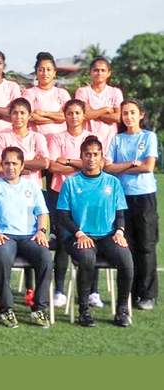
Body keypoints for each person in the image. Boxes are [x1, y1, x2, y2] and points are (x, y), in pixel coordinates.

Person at [57, 136, 133, 327]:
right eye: (87, 154)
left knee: (126, 259)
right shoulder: (71, 183)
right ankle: (84, 309)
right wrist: (79, 233)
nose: (92, 158)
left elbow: (120, 213)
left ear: (101, 157)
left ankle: (122, 309)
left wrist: (120, 231)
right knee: (87, 258)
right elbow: (63, 216)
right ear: (81, 156)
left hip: (107, 235)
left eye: (96, 154)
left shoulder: (113, 182)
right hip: (79, 236)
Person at [0, 146, 53, 328]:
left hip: (29, 236)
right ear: (1, 165)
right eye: (6, 163)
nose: (10, 167)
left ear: (21, 166)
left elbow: (42, 213)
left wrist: (41, 231)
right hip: (3, 236)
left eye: (14, 163)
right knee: (3, 257)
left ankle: (39, 308)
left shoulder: (32, 187)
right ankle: (6, 309)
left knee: (45, 258)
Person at [0, 97, 49, 305]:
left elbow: (44, 162)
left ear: (29, 115)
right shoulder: (2, 136)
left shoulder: (38, 137)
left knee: (32, 235)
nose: (18, 116)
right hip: (7, 192)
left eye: (23, 113)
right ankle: (6, 299)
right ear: (10, 115)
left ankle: (30, 289)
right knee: (12, 237)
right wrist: (18, 169)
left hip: (31, 191)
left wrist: (17, 168)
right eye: (15, 113)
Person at [104, 99, 158, 311]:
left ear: (141, 115)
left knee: (146, 246)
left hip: (144, 197)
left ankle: (147, 294)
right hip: (122, 198)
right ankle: (131, 293)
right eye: (125, 113)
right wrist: (130, 164)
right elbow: (108, 167)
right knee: (128, 245)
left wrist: (121, 168)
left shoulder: (149, 137)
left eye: (132, 113)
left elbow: (148, 167)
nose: (129, 117)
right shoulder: (117, 140)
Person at [47, 99, 95, 308]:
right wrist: (80, 165)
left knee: (92, 240)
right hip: (61, 194)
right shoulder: (57, 138)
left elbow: (96, 166)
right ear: (64, 115)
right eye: (69, 113)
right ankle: (59, 290)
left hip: (88, 196)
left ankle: (93, 291)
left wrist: (68, 161)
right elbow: (53, 166)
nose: (73, 117)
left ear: (84, 115)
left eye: (77, 113)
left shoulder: (91, 139)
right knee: (64, 242)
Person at [74, 56, 123, 150]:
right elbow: (84, 116)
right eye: (96, 70)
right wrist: (105, 110)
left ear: (108, 73)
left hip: (110, 142)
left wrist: (93, 113)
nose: (99, 73)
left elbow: (117, 117)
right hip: (88, 142)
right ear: (90, 73)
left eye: (103, 70)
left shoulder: (115, 92)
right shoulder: (82, 92)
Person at [22, 52, 70, 141]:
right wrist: (57, 118)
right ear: (36, 73)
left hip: (59, 142)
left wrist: (44, 113)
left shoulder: (63, 93)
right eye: (41, 70)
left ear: (54, 73)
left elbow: (67, 116)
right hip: (37, 142)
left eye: (48, 69)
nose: (45, 73)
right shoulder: (28, 94)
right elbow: (32, 117)